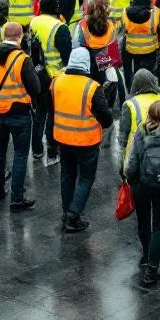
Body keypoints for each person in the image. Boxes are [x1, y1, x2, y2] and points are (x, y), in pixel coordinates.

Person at [52, 47, 115, 233]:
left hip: (63, 137)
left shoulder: (57, 82)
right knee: (86, 178)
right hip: (86, 140)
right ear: (86, 64)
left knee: (67, 175)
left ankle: (66, 211)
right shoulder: (92, 87)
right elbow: (107, 119)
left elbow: (51, 109)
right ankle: (73, 216)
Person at [124, 98, 160, 287]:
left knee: (143, 222)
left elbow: (131, 161)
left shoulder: (140, 131)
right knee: (158, 226)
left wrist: (129, 179)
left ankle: (146, 253)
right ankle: (152, 269)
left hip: (141, 186)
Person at [0, 22, 40, 210]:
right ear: (20, 36)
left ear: (3, 35)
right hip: (19, 113)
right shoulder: (22, 59)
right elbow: (36, 88)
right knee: (20, 154)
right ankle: (17, 198)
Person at [28, 0, 71, 165]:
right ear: (56, 7)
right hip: (55, 78)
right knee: (53, 115)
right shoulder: (60, 28)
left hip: (37, 75)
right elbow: (67, 57)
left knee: (39, 113)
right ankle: (52, 152)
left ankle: (37, 150)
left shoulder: (34, 22)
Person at [121, 0, 160, 81]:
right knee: (150, 71)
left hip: (131, 49)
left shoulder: (125, 12)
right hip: (150, 49)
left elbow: (123, 30)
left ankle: (132, 85)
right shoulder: (155, 12)